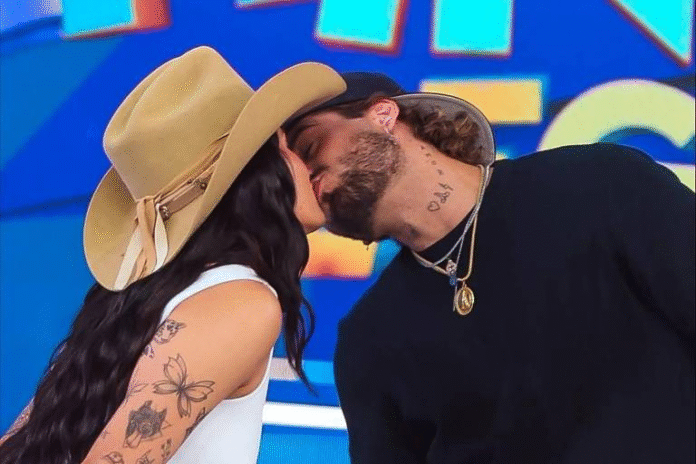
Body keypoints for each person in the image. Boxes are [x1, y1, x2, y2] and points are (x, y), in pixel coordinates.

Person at [283, 72, 695, 462]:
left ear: (383, 114)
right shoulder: (368, 341)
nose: (304, 177)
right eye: (288, 180)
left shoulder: (600, 184)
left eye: (310, 147)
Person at [0, 46, 346, 464]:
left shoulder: (142, 295)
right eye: (285, 146)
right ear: (258, 174)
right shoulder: (240, 301)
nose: (305, 163)